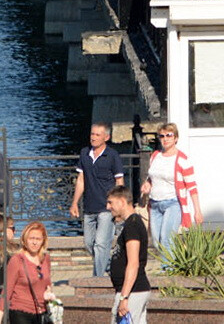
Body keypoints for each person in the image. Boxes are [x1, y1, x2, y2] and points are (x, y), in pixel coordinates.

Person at [69, 123, 124, 277]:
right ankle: (107, 265)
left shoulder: (113, 156)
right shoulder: (84, 153)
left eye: (97, 135)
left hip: (107, 208)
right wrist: (74, 203)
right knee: (88, 244)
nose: (93, 137)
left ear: (106, 137)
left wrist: (120, 206)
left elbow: (119, 181)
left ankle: (97, 279)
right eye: (92, 134)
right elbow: (81, 180)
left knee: (101, 244)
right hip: (89, 206)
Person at [139, 123, 202, 249]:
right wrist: (147, 184)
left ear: (176, 138)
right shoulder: (155, 156)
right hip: (155, 204)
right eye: (162, 136)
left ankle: (168, 269)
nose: (165, 139)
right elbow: (152, 178)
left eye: (169, 135)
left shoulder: (182, 159)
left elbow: (192, 186)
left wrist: (197, 211)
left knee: (167, 239)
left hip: (172, 203)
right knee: (157, 242)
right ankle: (170, 266)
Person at [106, 185, 150, 322]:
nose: (108, 207)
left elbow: (133, 263)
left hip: (133, 292)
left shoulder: (132, 225)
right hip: (134, 291)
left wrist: (124, 297)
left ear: (122, 202)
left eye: (110, 202)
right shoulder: (131, 224)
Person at [4, 221, 54, 324]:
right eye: (31, 239)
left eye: (38, 239)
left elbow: (47, 284)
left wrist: (49, 293)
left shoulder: (46, 259)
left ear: (43, 241)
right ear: (25, 240)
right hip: (20, 311)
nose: (34, 242)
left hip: (41, 311)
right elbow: (7, 291)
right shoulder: (17, 260)